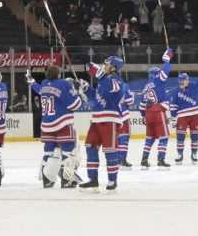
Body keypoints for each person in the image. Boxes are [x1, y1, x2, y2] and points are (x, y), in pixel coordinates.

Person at [26, 65, 85, 188]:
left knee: (48, 152)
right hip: (62, 124)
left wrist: (32, 82)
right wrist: (79, 93)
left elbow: (39, 89)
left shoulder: (44, 83)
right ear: (58, 74)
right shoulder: (63, 84)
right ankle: (67, 180)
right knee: (69, 152)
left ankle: (47, 179)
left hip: (47, 125)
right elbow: (74, 105)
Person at [80, 56, 127, 192]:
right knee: (90, 146)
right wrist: (86, 88)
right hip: (96, 119)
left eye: (106, 64)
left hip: (110, 120)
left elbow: (111, 87)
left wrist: (98, 74)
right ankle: (92, 179)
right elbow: (97, 98)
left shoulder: (117, 80)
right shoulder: (104, 80)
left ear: (113, 68)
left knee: (110, 150)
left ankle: (112, 181)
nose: (103, 66)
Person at [139, 48, 173, 169]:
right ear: (156, 74)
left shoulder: (145, 87)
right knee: (164, 137)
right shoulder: (159, 80)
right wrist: (167, 59)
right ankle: (161, 160)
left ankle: (144, 160)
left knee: (150, 138)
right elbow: (166, 70)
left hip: (148, 114)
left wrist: (143, 116)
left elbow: (141, 106)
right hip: (158, 112)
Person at [172, 70, 198, 164]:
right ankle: (179, 154)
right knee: (180, 136)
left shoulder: (194, 85)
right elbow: (173, 106)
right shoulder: (176, 91)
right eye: (181, 80)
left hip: (194, 115)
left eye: (184, 80)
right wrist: (174, 118)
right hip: (182, 116)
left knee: (195, 136)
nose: (182, 81)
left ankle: (194, 154)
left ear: (187, 80)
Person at [117, 86, 135, 169]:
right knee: (124, 139)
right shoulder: (124, 85)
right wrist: (132, 96)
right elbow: (130, 101)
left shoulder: (107, 83)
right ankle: (122, 160)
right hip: (123, 116)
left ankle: (115, 160)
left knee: (116, 140)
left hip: (112, 116)